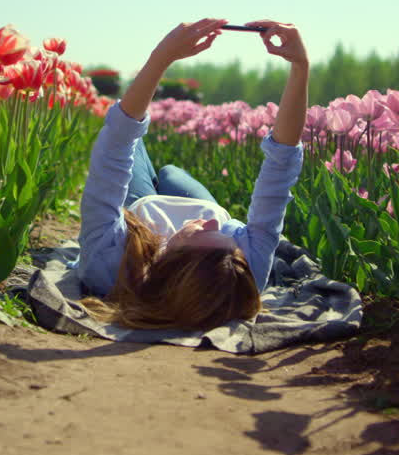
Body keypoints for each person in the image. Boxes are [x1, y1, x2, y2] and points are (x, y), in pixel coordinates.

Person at [77, 17, 309, 330]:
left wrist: (163, 57)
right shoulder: (244, 270)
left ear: (171, 265)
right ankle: (165, 177)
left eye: (205, 233)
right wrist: (300, 66)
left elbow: (115, 144)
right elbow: (280, 170)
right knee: (171, 173)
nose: (216, 224)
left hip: (140, 212)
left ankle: (152, 180)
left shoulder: (110, 264)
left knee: (134, 148)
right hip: (198, 202)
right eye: (228, 237)